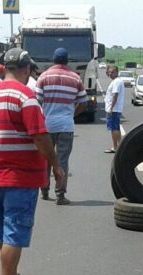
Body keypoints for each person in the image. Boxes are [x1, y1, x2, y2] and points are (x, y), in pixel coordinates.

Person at [0, 48, 65, 275]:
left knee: (4, 229)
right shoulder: (26, 97)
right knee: (15, 229)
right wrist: (56, 165)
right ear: (26, 69)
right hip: (20, 176)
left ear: (4, 68)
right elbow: (39, 136)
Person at [35, 47, 88, 204]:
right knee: (62, 160)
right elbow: (84, 102)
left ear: (53, 60)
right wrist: (72, 114)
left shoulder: (44, 76)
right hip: (66, 126)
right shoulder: (75, 78)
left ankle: (44, 190)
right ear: (67, 61)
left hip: (47, 126)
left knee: (46, 159)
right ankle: (60, 194)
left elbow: (37, 100)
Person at [104, 65, 124, 154]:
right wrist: (107, 70)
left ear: (117, 72)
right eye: (109, 72)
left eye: (112, 72)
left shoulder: (116, 82)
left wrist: (111, 108)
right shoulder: (116, 81)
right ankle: (120, 146)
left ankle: (115, 147)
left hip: (114, 109)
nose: (110, 74)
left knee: (114, 129)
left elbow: (115, 95)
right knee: (116, 128)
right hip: (115, 109)